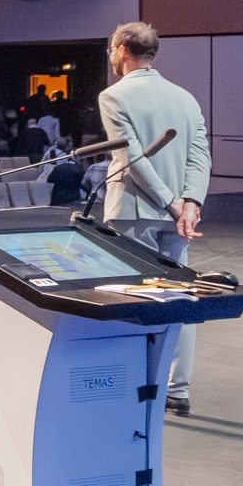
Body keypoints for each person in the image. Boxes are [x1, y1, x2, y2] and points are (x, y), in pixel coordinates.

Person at [98, 21, 211, 414]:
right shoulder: (185, 98)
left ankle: (135, 384)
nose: (111, 57)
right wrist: (190, 203)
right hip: (178, 218)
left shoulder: (114, 96)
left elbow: (132, 158)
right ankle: (177, 389)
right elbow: (200, 156)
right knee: (179, 299)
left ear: (122, 50)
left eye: (111, 50)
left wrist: (171, 203)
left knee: (131, 299)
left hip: (134, 211)